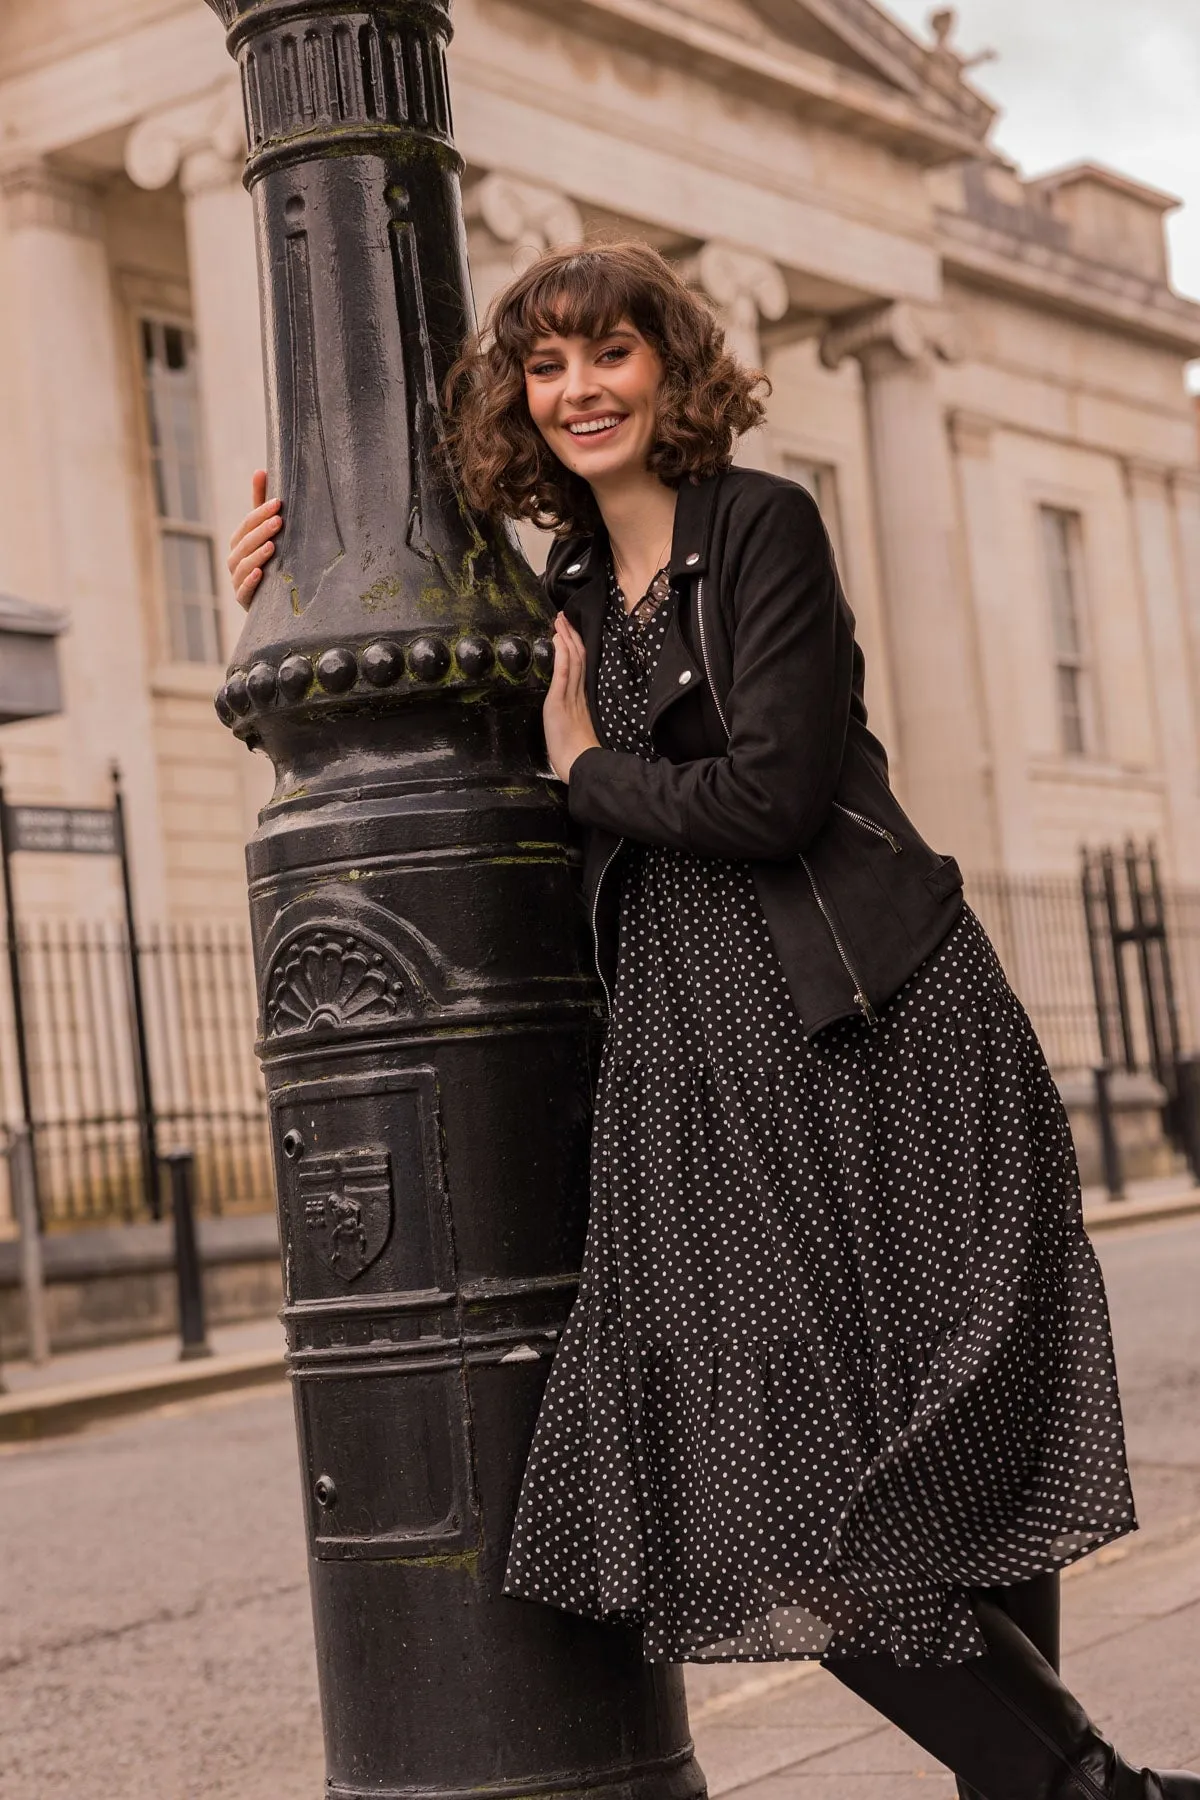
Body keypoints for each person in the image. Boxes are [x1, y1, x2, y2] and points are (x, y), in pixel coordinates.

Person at [227, 241, 1199, 1800]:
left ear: (672, 370)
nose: (579, 389)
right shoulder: (547, 594)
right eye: (545, 367)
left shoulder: (761, 529)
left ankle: (1043, 1786)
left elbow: (772, 793)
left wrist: (586, 765)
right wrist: (290, 575)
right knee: (767, 1495)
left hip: (881, 1032)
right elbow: (427, 747)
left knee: (953, 1459)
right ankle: (1085, 1790)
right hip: (695, 1070)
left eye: (610, 354)